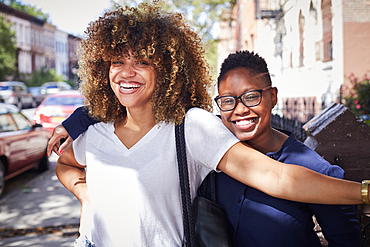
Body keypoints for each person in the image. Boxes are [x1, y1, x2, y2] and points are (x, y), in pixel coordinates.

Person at [51, 2, 367, 246]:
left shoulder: (189, 128)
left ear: (167, 71)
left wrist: (365, 192)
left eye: (142, 62)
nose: (126, 71)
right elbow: (65, 164)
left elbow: (276, 176)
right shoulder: (94, 132)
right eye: (117, 61)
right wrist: (86, 196)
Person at [202, 50, 360, 246]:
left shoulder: (317, 171)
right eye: (227, 100)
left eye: (251, 97)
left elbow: (347, 243)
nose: (240, 109)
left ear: (273, 97)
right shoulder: (209, 158)